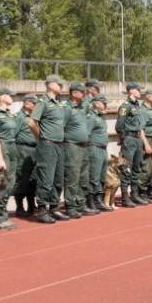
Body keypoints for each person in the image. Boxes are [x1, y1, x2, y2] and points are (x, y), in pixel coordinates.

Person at [28, 75, 68, 223]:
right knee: (46, 179)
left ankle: (54, 207)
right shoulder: (43, 102)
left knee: (58, 179)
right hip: (48, 145)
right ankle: (42, 210)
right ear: (50, 85)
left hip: (59, 146)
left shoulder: (58, 103)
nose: (61, 87)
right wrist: (40, 137)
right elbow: (32, 123)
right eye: (59, 84)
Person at [0, 88, 20, 229]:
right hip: (3, 148)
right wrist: (0, 158)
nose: (12, 97)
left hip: (12, 147)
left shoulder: (8, 114)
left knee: (10, 182)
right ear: (3, 97)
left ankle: (1, 213)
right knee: (3, 182)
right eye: (10, 95)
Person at [115, 82, 148, 206]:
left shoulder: (137, 105)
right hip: (129, 138)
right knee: (126, 167)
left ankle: (134, 193)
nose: (140, 92)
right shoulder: (125, 106)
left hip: (138, 138)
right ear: (131, 91)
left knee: (137, 166)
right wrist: (122, 139)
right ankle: (125, 196)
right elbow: (119, 125)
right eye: (138, 90)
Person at [61, 82, 90, 220]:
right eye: (81, 92)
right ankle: (70, 205)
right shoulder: (67, 108)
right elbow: (62, 128)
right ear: (74, 93)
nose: (84, 94)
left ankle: (81, 203)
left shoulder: (82, 107)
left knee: (83, 177)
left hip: (83, 147)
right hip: (72, 146)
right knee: (72, 176)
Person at [87, 87, 113, 214]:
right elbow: (86, 134)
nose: (106, 106)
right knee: (94, 176)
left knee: (102, 176)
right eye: (104, 103)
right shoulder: (91, 117)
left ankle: (99, 199)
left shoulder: (101, 117)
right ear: (97, 103)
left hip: (102, 150)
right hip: (94, 149)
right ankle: (91, 200)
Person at [12, 93, 39, 216]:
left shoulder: (35, 116)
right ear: (27, 104)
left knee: (33, 178)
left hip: (34, 150)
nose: (36, 106)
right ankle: (19, 206)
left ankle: (31, 205)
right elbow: (13, 136)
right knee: (22, 178)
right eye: (35, 103)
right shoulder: (18, 117)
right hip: (23, 149)